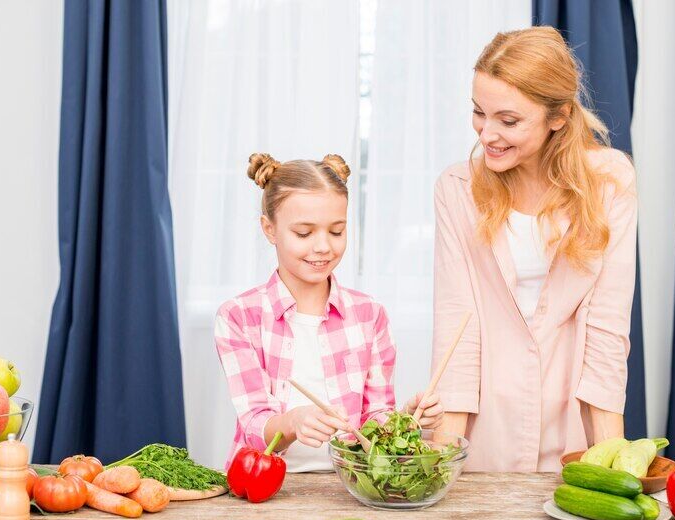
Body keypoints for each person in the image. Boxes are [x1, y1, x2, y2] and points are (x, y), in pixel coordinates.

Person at [432, 27, 637, 471]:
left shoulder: (610, 182)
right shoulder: (457, 188)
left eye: (508, 121)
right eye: (478, 113)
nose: (487, 135)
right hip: (484, 420)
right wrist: (440, 464)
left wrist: (613, 462)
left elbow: (607, 325)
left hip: (572, 417)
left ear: (559, 116)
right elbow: (457, 324)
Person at [215, 153, 444, 472]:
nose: (323, 246)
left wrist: (408, 419)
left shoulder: (370, 315)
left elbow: (375, 418)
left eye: (336, 231)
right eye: (304, 233)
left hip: (348, 485)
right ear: (269, 229)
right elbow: (255, 426)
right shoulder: (239, 317)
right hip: (263, 487)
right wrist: (293, 422)